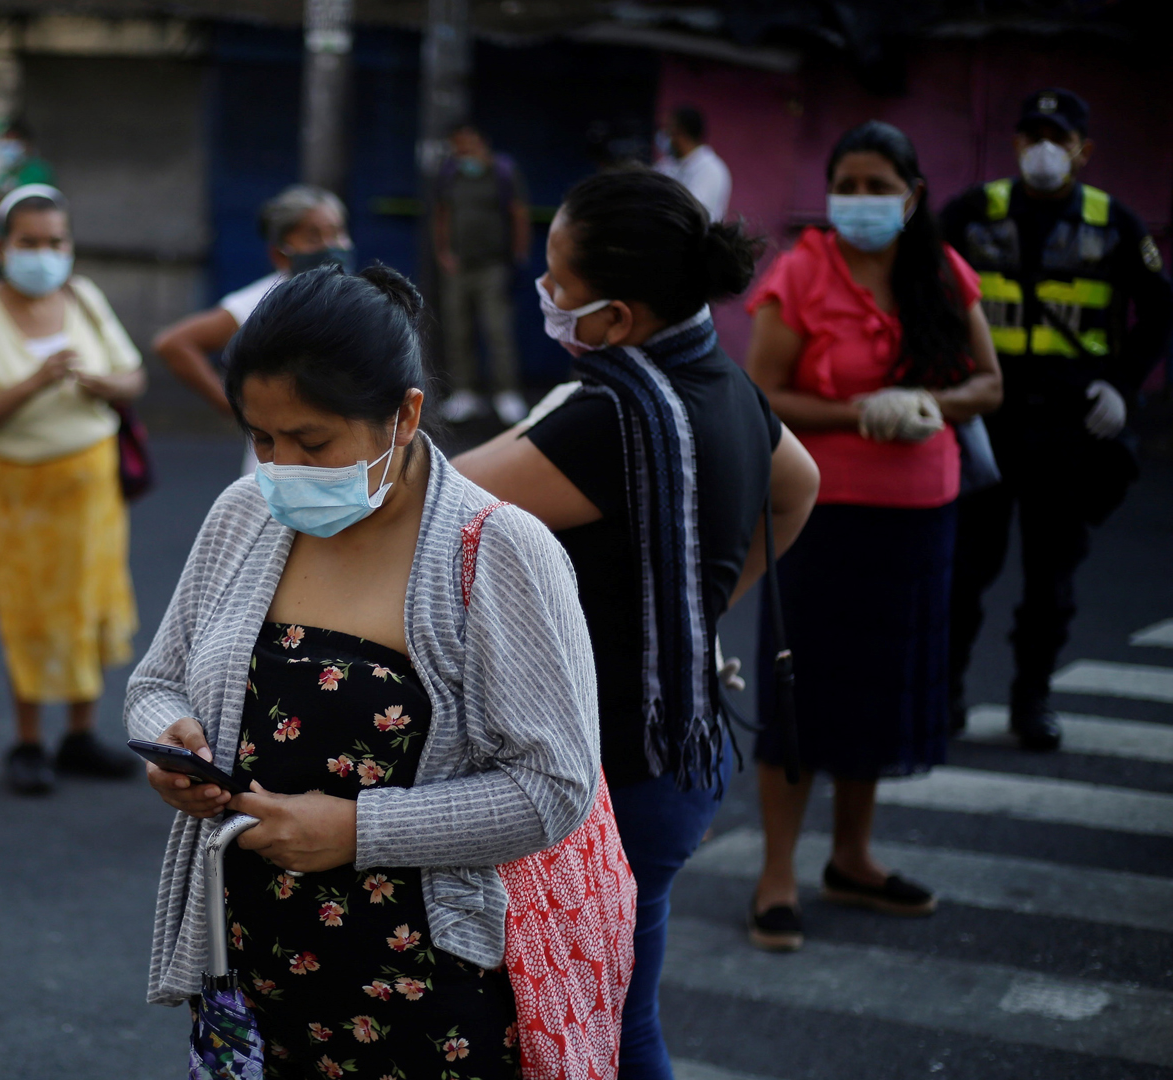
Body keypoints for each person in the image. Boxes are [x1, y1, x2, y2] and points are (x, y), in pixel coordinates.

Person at [129, 263, 601, 1076]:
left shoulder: (498, 552)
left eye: (313, 442)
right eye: (262, 440)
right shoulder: (243, 515)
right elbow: (154, 682)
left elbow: (553, 785)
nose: (283, 468)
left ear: (405, 414)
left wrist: (355, 831)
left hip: (424, 990)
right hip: (250, 968)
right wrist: (170, 742)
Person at [453, 170, 819, 1078]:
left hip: (609, 772)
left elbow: (430, 504)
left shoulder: (614, 416)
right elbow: (800, 483)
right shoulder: (721, 383)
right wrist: (706, 605)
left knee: (599, 1029)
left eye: (558, 283)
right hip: (675, 758)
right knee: (620, 1011)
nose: (544, 296)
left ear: (616, 318)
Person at [743, 121, 1003, 952]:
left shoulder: (940, 269)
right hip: (818, 512)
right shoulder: (800, 272)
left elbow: (990, 383)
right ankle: (777, 871)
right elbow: (763, 393)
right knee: (802, 691)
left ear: (913, 195)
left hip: (921, 515)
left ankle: (852, 856)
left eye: (876, 186)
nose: (859, 201)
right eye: (846, 186)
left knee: (881, 694)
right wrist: (862, 412)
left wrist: (931, 408)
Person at [941, 88, 1173, 751]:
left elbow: (1158, 311)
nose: (1044, 148)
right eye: (1031, 135)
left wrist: (1123, 388)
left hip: (1071, 428)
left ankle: (1031, 702)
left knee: (1052, 577)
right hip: (986, 420)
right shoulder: (972, 212)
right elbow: (924, 292)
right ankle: (949, 696)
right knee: (965, 569)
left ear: (1083, 149)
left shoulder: (1115, 223)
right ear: (1015, 143)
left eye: (1059, 136)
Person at [0, 184, 146, 795]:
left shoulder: (83, 297)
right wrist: (33, 383)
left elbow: (132, 377)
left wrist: (99, 381)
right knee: (28, 611)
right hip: (13, 492)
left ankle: (80, 735)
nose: (44, 254)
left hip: (90, 481)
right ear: (1, 247)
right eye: (30, 242)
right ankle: (28, 741)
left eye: (55, 242)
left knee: (90, 602)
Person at [151, 184, 352, 472]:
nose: (332, 246)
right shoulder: (263, 303)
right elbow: (173, 344)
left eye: (337, 233)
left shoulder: (360, 299)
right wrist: (236, 407)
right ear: (280, 253)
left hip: (343, 469)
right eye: (313, 237)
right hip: (279, 471)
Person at [434, 124, 532, 425]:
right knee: (458, 329)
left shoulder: (503, 172)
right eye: (456, 149)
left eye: (466, 148)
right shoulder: (451, 174)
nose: (461, 154)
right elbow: (443, 213)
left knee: (497, 329)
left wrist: (518, 252)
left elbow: (519, 212)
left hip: (493, 265)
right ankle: (465, 393)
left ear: (480, 142)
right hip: (459, 267)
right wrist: (443, 252)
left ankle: (506, 393)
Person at [654, 106, 731, 223]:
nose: (664, 135)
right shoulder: (665, 164)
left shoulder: (710, 169)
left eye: (669, 129)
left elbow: (692, 214)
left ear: (682, 133)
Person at [0, 120, 57, 222]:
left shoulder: (38, 171)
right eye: (4, 141)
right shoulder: (6, 172)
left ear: (25, 143)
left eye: (11, 141)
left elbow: (30, 205)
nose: (6, 147)